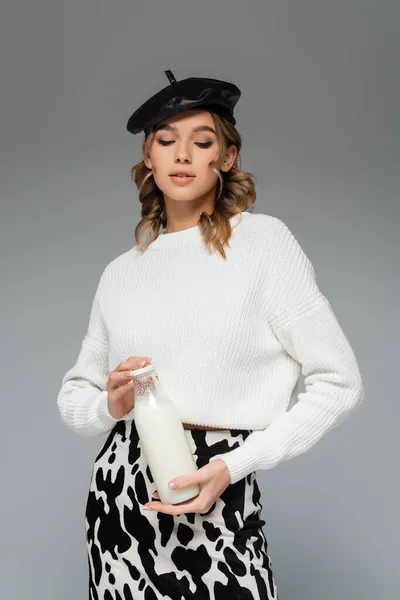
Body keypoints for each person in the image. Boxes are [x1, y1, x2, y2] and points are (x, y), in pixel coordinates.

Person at [57, 69, 364, 600]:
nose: (182, 156)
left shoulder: (263, 244)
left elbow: (340, 382)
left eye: (201, 142)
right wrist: (110, 404)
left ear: (226, 157)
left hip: (218, 483)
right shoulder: (120, 273)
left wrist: (234, 465)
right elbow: (74, 398)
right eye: (166, 141)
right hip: (121, 498)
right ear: (147, 159)